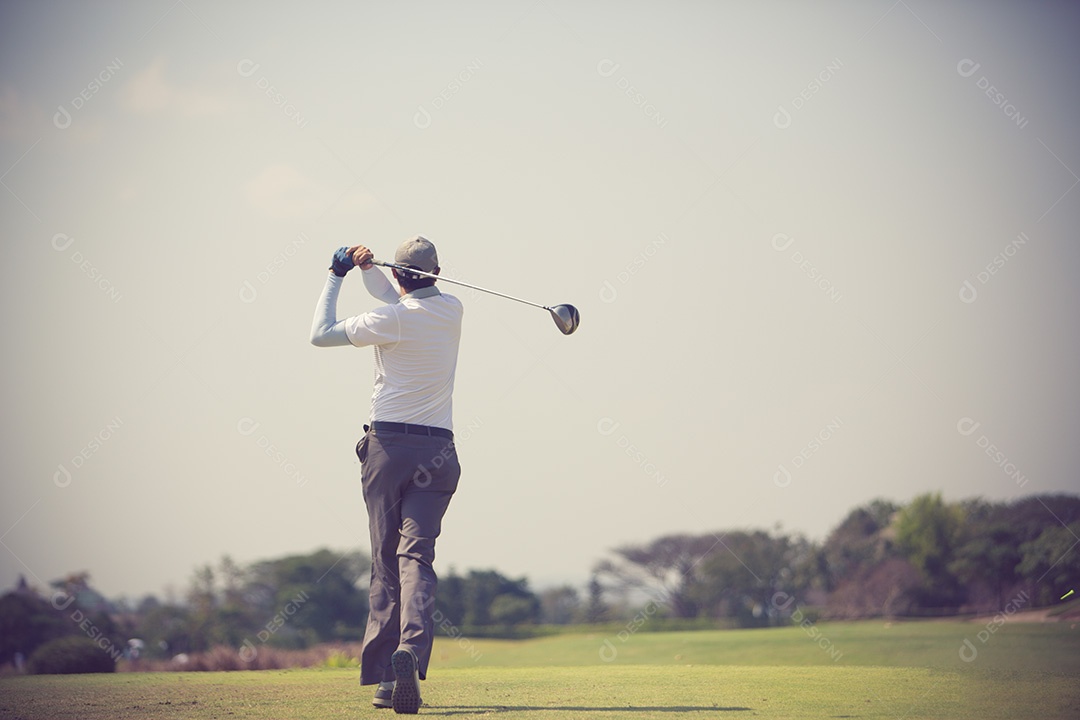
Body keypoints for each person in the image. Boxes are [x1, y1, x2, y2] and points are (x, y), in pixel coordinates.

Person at [310, 236, 463, 714]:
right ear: (438, 271)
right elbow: (405, 298)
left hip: (389, 449)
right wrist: (368, 270)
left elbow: (321, 333)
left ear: (397, 274)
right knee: (416, 558)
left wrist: (337, 275)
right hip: (438, 451)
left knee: (385, 562)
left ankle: (382, 680)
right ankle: (410, 653)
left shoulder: (390, 317)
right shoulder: (454, 308)